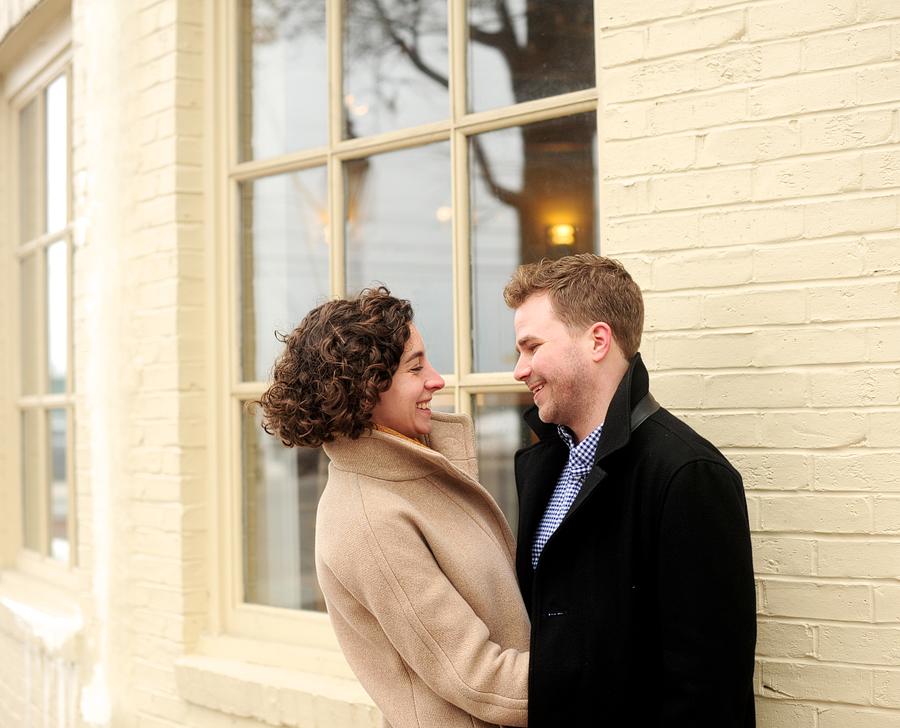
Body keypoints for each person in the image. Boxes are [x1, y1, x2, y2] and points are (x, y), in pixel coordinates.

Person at [253, 287, 529, 728]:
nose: (436, 380)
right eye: (416, 367)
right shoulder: (368, 520)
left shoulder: (411, 478)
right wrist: (606, 675)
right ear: (365, 391)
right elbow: (478, 676)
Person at [503, 254, 756, 727]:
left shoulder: (688, 474)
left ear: (598, 340)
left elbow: (706, 693)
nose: (520, 369)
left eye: (532, 347)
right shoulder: (541, 467)